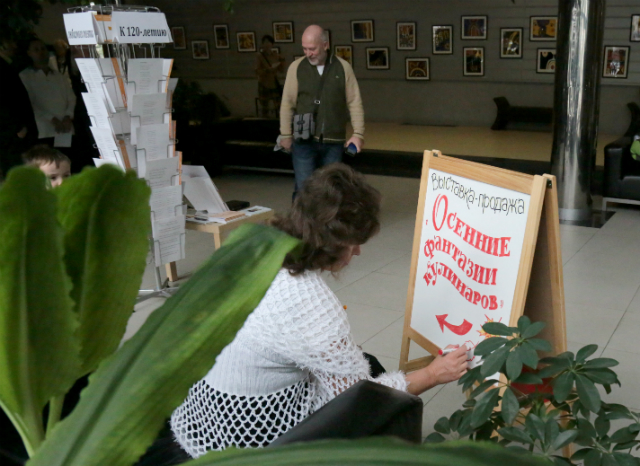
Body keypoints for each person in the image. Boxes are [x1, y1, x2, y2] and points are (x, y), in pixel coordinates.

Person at [170, 164, 468, 457]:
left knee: (368, 361)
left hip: (206, 402)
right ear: (334, 243)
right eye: (354, 244)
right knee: (386, 397)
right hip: (249, 430)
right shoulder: (309, 302)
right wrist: (432, 374)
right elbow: (358, 398)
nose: (358, 252)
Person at [279, 25, 365, 196]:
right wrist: (286, 134)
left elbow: (354, 102)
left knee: (330, 189)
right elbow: (287, 103)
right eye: (304, 49)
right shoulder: (296, 68)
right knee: (304, 188)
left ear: (325, 45)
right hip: (303, 139)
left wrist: (358, 134)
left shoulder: (343, 67)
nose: (308, 53)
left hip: (333, 140)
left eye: (312, 49)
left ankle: (326, 215)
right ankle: (302, 215)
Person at [20, 38, 76, 150]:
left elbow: (71, 98)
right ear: (29, 53)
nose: (41, 52)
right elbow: (29, 104)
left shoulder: (58, 75)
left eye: (43, 49)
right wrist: (52, 119)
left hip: (65, 128)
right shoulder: (24, 76)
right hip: (43, 130)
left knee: (66, 156)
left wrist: (68, 116)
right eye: (36, 50)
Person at [0, 31, 37, 179]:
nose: (14, 46)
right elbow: (3, 101)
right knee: (16, 168)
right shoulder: (2, 67)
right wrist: (17, 127)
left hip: (12, 130)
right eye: (10, 43)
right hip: (11, 131)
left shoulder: (6, 65)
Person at [256, 34, 284, 118]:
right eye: (265, 42)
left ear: (272, 44)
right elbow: (257, 70)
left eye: (269, 42)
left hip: (274, 83)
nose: (267, 45)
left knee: (278, 105)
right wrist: (267, 70)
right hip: (264, 83)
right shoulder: (260, 56)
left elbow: (281, 70)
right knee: (265, 107)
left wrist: (282, 62)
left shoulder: (275, 55)